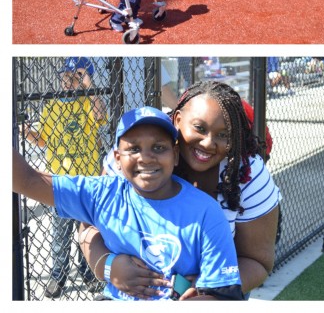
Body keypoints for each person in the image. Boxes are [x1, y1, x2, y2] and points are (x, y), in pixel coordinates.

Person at [13, 106, 245, 301]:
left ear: (175, 155)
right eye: (133, 149)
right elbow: (28, 180)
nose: (145, 157)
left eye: (158, 147)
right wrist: (108, 265)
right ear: (117, 159)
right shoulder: (103, 194)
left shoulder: (205, 212)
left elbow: (223, 295)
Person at [80, 81, 279, 298]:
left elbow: (258, 261)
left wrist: (211, 289)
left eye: (223, 135)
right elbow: (88, 227)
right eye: (199, 128)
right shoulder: (134, 156)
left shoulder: (247, 174)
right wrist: (109, 266)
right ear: (177, 120)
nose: (208, 143)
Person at [22, 57, 107, 297]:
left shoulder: (89, 103)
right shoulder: (52, 106)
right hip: (59, 182)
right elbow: (42, 139)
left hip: (87, 182)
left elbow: (100, 115)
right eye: (65, 77)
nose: (67, 81)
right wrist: (27, 132)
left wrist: (89, 86)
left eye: (74, 77)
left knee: (87, 232)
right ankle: (58, 276)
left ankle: (89, 273)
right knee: (59, 235)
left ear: (84, 79)